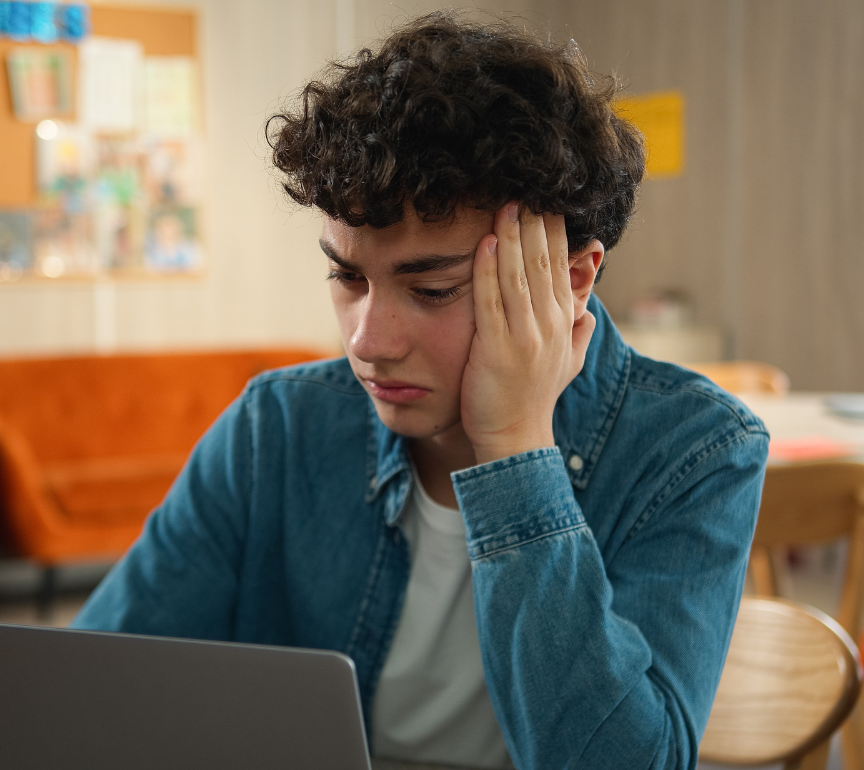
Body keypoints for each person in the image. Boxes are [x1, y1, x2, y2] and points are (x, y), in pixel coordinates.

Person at [73, 13, 768, 770]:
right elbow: (88, 692)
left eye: (432, 289)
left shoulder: (695, 452)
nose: (367, 342)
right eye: (347, 277)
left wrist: (514, 450)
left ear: (570, 280)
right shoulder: (276, 429)